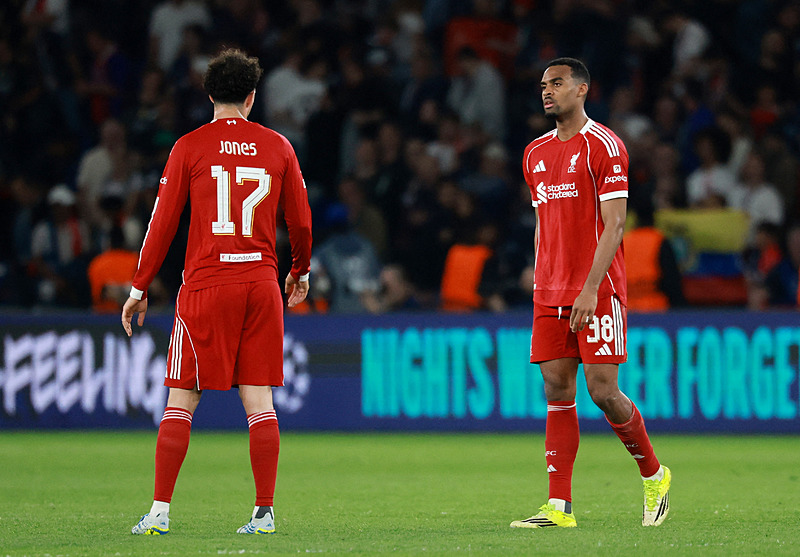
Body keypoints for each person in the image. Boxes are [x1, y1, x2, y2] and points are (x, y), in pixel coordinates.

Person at [121, 48, 312, 536]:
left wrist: (140, 286)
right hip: (261, 283)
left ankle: (160, 513)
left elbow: (162, 223)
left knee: (181, 401)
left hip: (207, 285)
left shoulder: (189, 146)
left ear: (209, 94)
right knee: (260, 402)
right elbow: (301, 220)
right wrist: (300, 271)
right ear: (251, 97)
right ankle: (264, 513)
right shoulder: (279, 146)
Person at [511, 58, 670, 530]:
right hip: (550, 292)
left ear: (582, 89)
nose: (547, 92)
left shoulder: (604, 146)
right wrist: (539, 273)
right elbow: (545, 223)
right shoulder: (534, 154)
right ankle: (559, 508)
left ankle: (654, 473)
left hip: (596, 292)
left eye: (557, 83)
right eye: (543, 85)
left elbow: (616, 223)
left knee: (603, 392)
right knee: (556, 390)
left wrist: (590, 287)